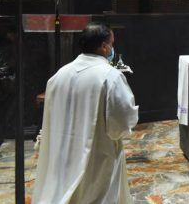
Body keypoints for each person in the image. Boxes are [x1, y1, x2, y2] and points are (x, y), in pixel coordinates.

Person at [32, 23, 138, 203]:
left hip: (63, 151)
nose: (112, 48)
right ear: (104, 47)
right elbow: (122, 120)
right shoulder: (110, 76)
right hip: (98, 152)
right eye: (111, 44)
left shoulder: (58, 76)